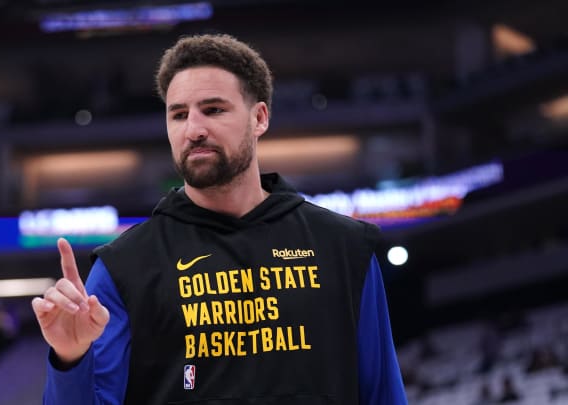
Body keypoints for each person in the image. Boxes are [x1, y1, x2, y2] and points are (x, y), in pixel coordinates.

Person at [33, 33, 407, 404]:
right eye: (179, 114)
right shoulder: (123, 268)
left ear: (259, 118)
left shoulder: (343, 248)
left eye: (213, 110)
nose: (193, 130)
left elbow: (383, 394)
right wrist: (70, 358)